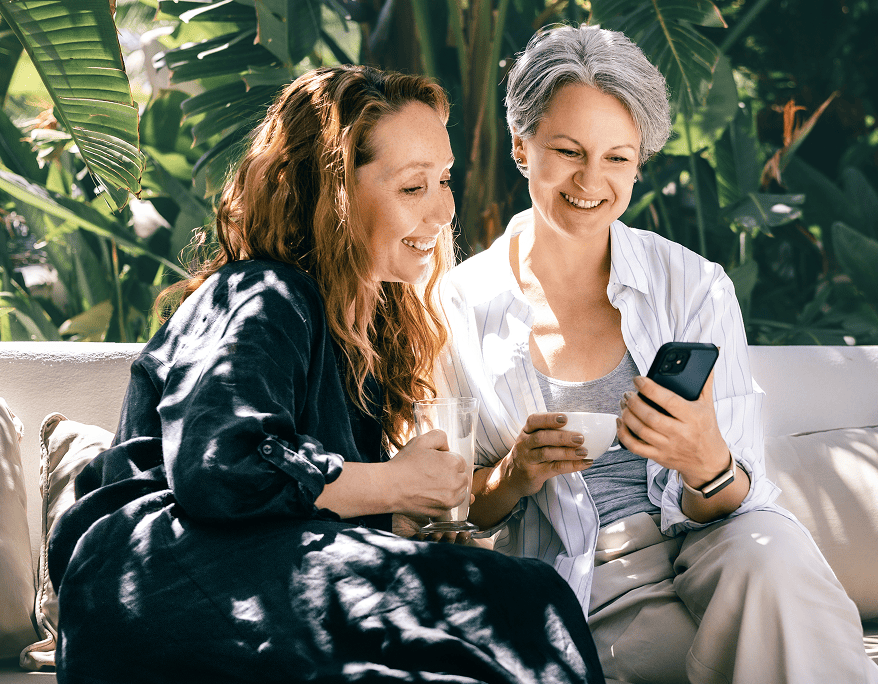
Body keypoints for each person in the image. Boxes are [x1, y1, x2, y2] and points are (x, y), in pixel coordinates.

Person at [47, 65, 606, 684]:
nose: (444, 209)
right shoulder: (262, 294)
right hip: (158, 580)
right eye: (413, 188)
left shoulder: (358, 338)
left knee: (489, 628)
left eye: (444, 181)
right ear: (335, 193)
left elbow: (294, 508)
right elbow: (220, 467)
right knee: (520, 599)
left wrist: (404, 515)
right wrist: (391, 485)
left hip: (253, 581)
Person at [438, 24, 878, 684]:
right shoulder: (459, 304)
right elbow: (438, 510)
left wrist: (707, 462)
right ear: (522, 146)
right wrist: (512, 477)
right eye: (568, 150)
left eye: (618, 157)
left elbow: (740, 498)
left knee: (775, 553)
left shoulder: (694, 284)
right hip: (590, 577)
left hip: (714, 542)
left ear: (640, 163)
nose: (593, 180)